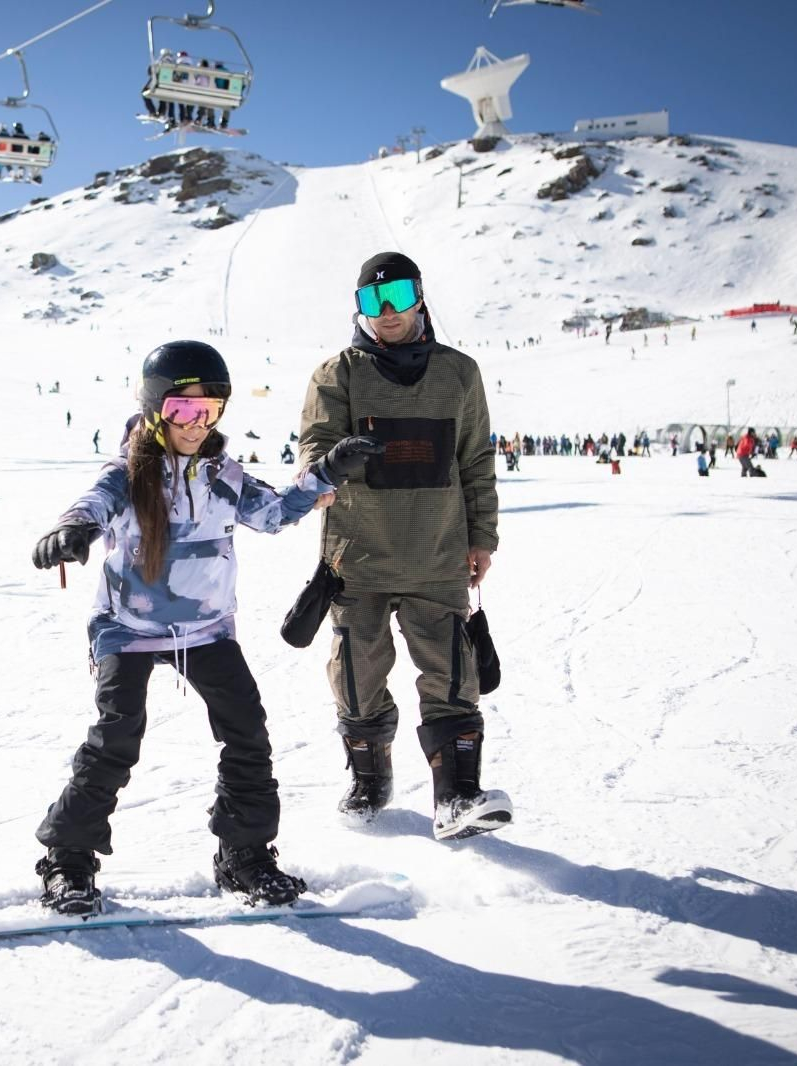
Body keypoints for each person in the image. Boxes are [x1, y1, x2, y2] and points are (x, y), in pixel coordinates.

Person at [31, 339, 369, 915]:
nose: (196, 423)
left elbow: (275, 512)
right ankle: (68, 859)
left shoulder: (222, 475)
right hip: (129, 625)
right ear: (154, 408)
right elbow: (90, 504)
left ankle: (245, 854)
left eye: (209, 410)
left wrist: (325, 474)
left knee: (247, 732)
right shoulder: (126, 474)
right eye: (183, 410)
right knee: (118, 735)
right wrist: (71, 531)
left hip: (205, 630)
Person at [299, 251, 511, 842]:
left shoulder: (458, 373)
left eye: (398, 297)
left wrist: (482, 536)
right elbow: (312, 455)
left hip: (439, 549)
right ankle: (370, 778)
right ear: (359, 307)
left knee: (450, 673)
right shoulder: (335, 375)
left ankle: (457, 797)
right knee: (358, 673)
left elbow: (475, 459)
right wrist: (331, 461)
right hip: (356, 555)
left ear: (420, 296)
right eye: (373, 300)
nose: (387, 312)